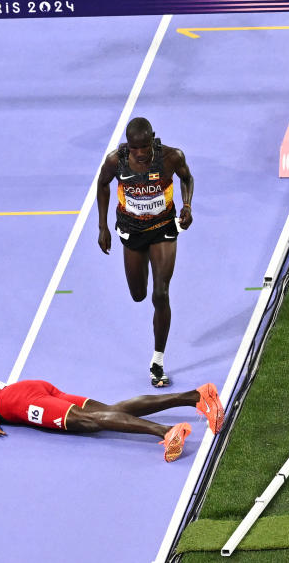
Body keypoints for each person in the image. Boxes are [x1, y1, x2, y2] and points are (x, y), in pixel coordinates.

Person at [0, 377, 223, 463]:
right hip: (29, 388)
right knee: (115, 411)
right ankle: (197, 396)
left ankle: (166, 432)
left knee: (91, 422)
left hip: (20, 404)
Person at [96, 117, 195, 388]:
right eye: (135, 148)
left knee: (160, 294)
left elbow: (187, 178)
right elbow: (102, 185)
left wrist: (186, 206)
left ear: (153, 139)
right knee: (138, 295)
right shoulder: (116, 161)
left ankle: (158, 361)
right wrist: (102, 226)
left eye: (145, 146)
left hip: (162, 226)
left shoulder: (172, 157)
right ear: (129, 145)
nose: (140, 153)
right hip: (131, 229)